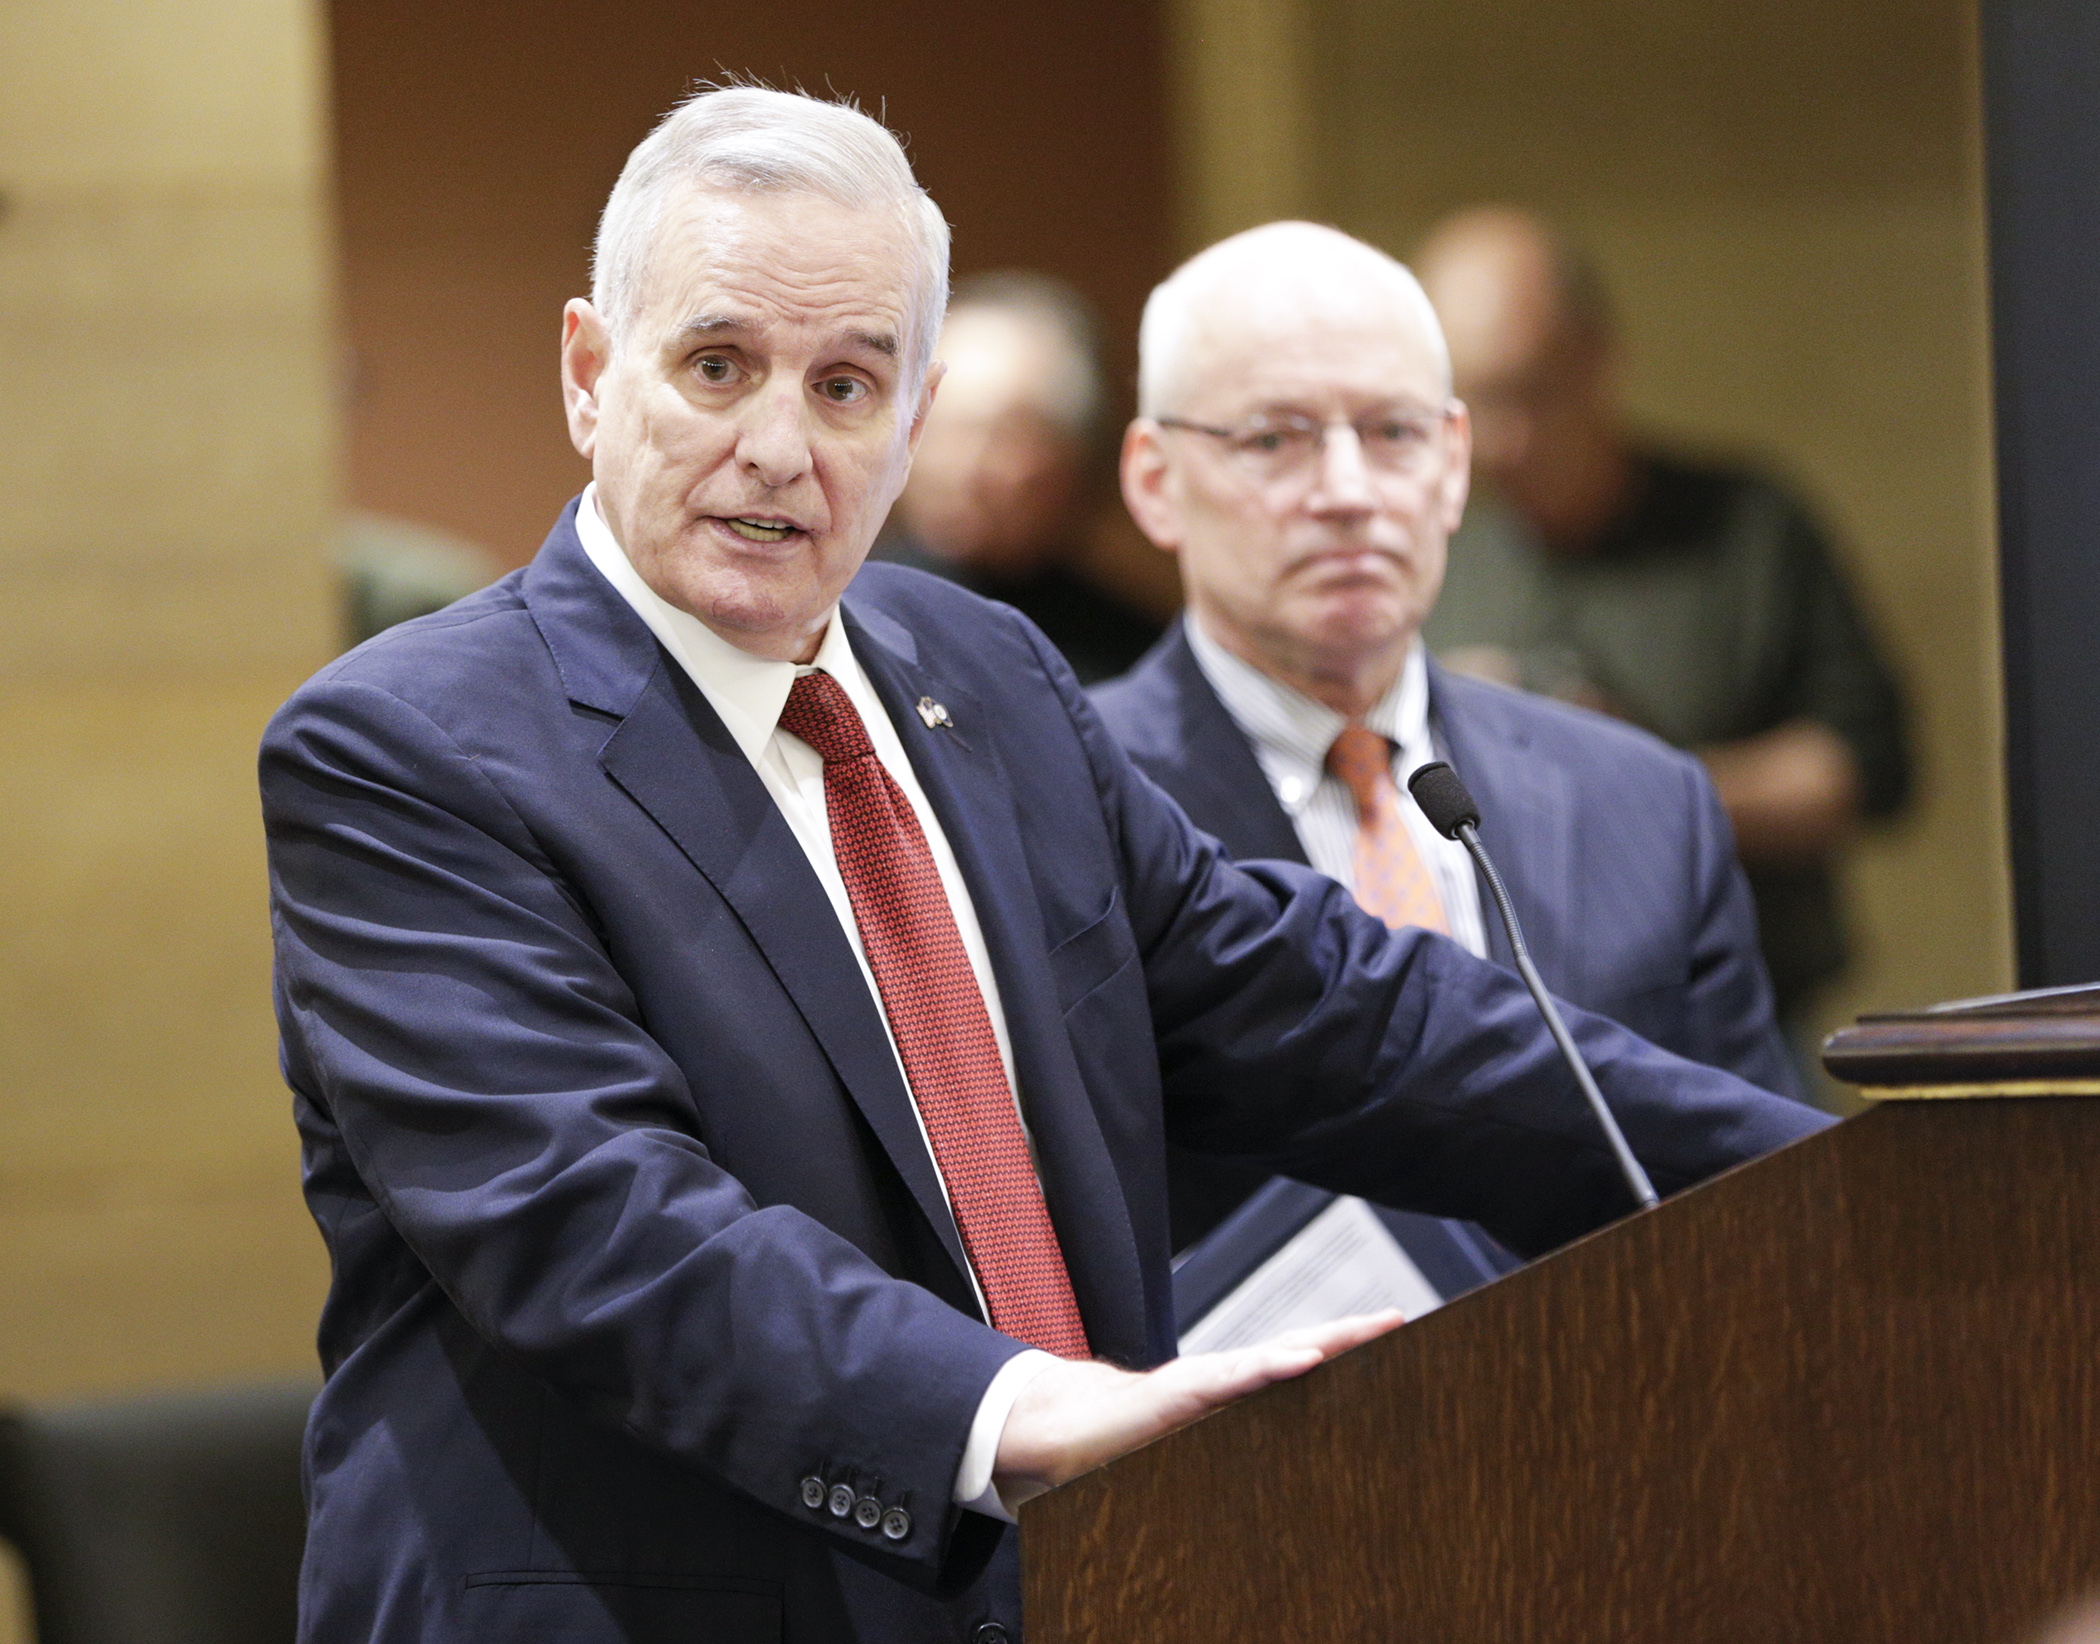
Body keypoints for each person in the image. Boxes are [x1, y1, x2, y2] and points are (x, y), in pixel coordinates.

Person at [260, 89, 1826, 1644]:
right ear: (593, 375)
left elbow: (1335, 1012)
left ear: (915, 420)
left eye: (850, 384)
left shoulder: (984, 674)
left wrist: (1831, 1177)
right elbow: (599, 1223)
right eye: (718, 366)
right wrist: (1014, 1412)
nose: (779, 448)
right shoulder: (405, 750)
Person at [1094, 221, 1799, 1252]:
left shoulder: (1647, 802)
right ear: (1156, 480)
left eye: (1394, 434)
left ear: (1455, 465)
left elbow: (1764, 1209)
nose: (1348, 493)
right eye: (1274, 439)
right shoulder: (1066, 803)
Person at [1411, 206, 1911, 1038]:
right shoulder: (1415, 552)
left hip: (1739, 1021)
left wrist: (1639, 784)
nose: (1503, 441)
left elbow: (1871, 769)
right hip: (1500, 1026)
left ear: (1599, 359)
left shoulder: (1748, 526)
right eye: (1466, 404)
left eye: (1529, 393)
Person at [871, 271, 1165, 683]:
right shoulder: (827, 614)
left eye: (1006, 435)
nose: (964, 466)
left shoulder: (1136, 661)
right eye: (945, 428)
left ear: (1077, 454)